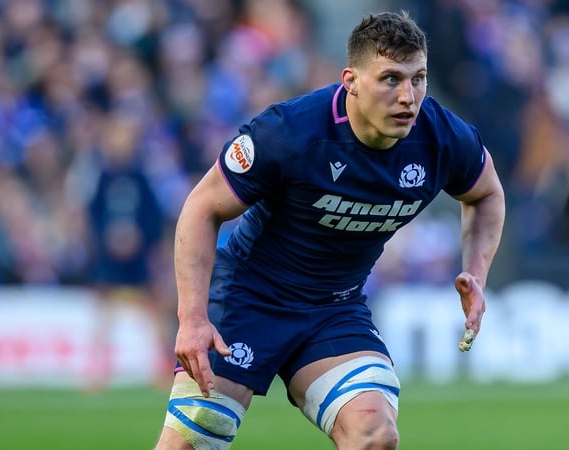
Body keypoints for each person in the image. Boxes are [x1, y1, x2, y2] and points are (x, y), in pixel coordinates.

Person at [155, 10, 505, 450]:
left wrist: (475, 271)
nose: (408, 97)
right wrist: (191, 319)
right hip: (248, 297)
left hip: (333, 309)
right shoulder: (290, 132)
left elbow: (487, 193)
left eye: (418, 79)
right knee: (193, 439)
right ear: (351, 81)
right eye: (391, 79)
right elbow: (201, 208)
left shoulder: (442, 137)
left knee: (374, 435)